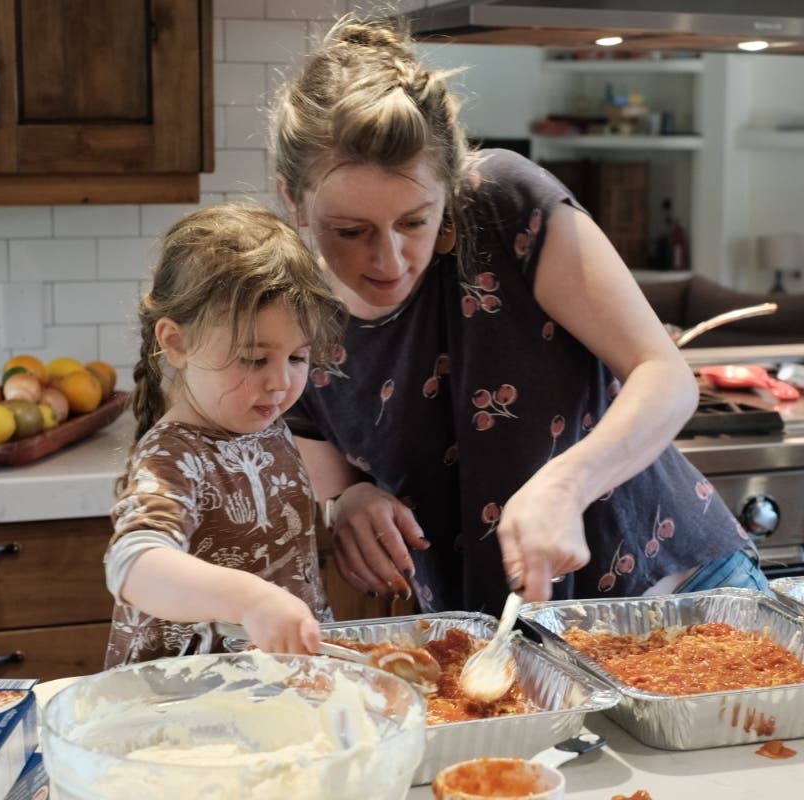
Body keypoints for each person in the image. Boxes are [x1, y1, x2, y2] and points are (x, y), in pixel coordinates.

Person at [268, 16, 770, 617]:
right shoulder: (286, 314)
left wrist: (568, 482)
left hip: (683, 591)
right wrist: (348, 503)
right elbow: (336, 478)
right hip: (510, 636)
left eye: (414, 221)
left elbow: (663, 376)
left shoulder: (503, 206)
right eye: (349, 231)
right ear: (292, 200)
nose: (389, 258)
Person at [103, 202, 346, 667]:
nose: (280, 382)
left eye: (297, 357)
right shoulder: (173, 455)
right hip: (185, 704)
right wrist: (251, 600)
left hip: (270, 689)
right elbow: (133, 563)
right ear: (176, 342)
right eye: (255, 359)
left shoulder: (265, 422)